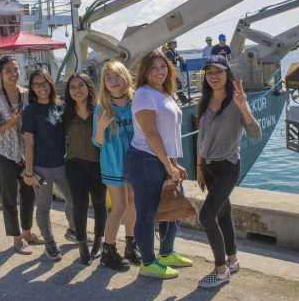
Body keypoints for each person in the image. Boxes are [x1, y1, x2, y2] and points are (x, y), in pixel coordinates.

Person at [123, 50, 193, 279]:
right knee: (147, 213)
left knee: (172, 207)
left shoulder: (164, 93)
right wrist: (168, 165)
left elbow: (168, 133)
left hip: (162, 159)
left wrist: (174, 163)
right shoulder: (144, 94)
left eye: (162, 66)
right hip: (144, 159)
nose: (159, 71)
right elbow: (151, 134)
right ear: (145, 71)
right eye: (154, 67)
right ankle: (148, 262)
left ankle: (165, 253)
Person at [196, 55, 261, 288]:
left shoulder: (236, 101)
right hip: (210, 168)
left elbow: (256, 133)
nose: (213, 76)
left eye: (219, 72)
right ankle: (232, 260)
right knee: (222, 215)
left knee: (206, 216)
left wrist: (244, 107)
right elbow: (201, 139)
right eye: (210, 72)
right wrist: (200, 168)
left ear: (227, 75)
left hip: (228, 167)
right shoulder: (203, 101)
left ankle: (220, 269)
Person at [0, 55, 44, 254]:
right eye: (8, 71)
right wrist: (9, 125)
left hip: (26, 153)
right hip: (3, 153)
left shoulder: (27, 94)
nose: (13, 74)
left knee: (28, 195)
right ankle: (16, 238)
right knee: (9, 198)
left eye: (16, 69)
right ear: (0, 74)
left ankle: (27, 232)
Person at [21, 68, 76, 261]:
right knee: (44, 206)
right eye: (37, 84)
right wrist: (29, 173)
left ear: (50, 84)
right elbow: (28, 143)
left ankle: (73, 230)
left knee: (74, 200)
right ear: (32, 88)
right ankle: (50, 243)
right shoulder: (30, 111)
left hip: (61, 164)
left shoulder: (60, 106)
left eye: (44, 83)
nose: (41, 87)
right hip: (40, 168)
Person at [93, 61, 139, 271]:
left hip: (135, 158)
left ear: (125, 77)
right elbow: (98, 142)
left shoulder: (136, 99)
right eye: (108, 77)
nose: (113, 81)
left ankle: (131, 244)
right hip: (113, 162)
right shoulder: (102, 106)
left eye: (117, 76)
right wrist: (100, 129)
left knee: (133, 205)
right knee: (119, 206)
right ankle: (108, 250)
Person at [63, 73, 106, 266]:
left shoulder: (100, 110)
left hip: (98, 164)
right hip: (75, 165)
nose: (77, 90)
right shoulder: (66, 114)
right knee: (79, 205)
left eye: (81, 85)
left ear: (89, 87)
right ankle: (82, 242)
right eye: (72, 87)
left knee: (99, 203)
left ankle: (98, 240)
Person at [164, 40, 190, 105]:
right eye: (174, 42)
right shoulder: (169, 52)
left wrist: (182, 58)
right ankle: (182, 100)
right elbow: (170, 63)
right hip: (169, 72)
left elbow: (178, 57)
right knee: (177, 85)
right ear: (171, 44)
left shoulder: (174, 51)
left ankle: (182, 100)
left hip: (172, 72)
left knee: (177, 85)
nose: (176, 43)